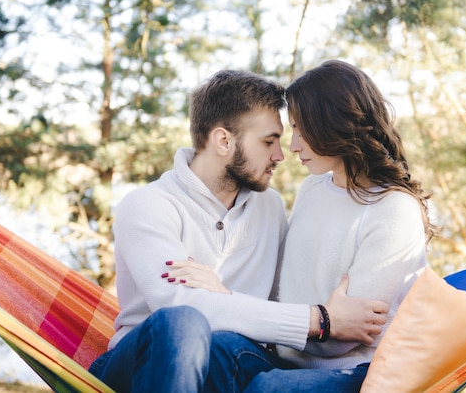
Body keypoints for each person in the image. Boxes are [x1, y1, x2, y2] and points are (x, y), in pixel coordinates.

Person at [88, 68, 388, 392]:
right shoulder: (150, 205)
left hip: (233, 363)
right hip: (140, 368)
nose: (280, 155)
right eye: (268, 142)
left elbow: (279, 298)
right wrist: (320, 321)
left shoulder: (270, 207)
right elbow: (184, 305)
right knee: (184, 323)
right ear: (223, 140)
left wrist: (222, 293)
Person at [175, 60, 438, 392]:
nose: (293, 145)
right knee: (215, 347)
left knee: (270, 389)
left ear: (335, 123)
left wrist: (244, 306)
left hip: (358, 371)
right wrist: (223, 296)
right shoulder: (312, 189)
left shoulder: (393, 209)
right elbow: (289, 293)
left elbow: (344, 337)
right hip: (285, 357)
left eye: (301, 129)